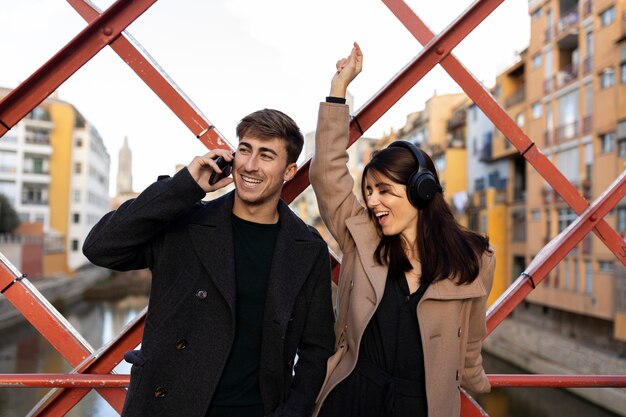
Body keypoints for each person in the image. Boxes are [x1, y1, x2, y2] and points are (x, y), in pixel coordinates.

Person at [83, 109, 335, 417]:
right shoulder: (185, 224)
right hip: (169, 407)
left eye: (266, 155)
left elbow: (317, 348)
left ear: (289, 171)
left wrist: (292, 412)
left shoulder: (307, 249)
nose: (251, 165)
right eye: (245, 150)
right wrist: (184, 186)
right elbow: (100, 248)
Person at [309, 43, 495, 417]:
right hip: (352, 397)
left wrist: (477, 381)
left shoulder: (473, 258)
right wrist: (338, 91)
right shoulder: (361, 238)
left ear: (420, 190)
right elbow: (327, 174)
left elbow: (472, 335)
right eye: (368, 191)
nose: (373, 201)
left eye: (384, 191)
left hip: (421, 406)